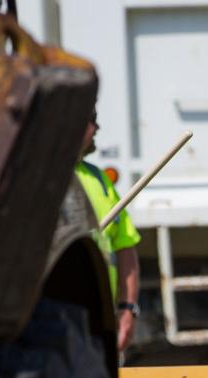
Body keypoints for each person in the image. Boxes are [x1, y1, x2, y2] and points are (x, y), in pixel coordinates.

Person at [75, 110, 141, 351]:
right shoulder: (40, 179)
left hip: (98, 320)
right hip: (55, 319)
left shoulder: (100, 180)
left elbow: (125, 246)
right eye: (90, 120)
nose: (97, 128)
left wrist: (127, 308)